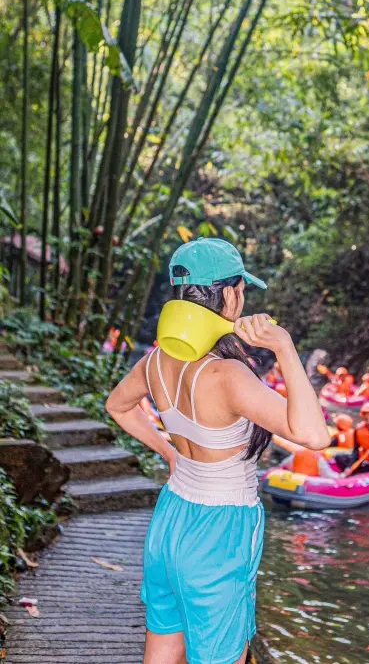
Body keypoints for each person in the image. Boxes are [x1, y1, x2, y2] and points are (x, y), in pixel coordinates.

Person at [105, 238, 329, 664]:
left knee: (163, 644)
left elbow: (117, 406)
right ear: (230, 294)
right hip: (221, 529)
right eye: (241, 290)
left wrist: (169, 451)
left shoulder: (154, 362)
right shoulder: (228, 376)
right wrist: (283, 347)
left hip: (170, 519)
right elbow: (314, 436)